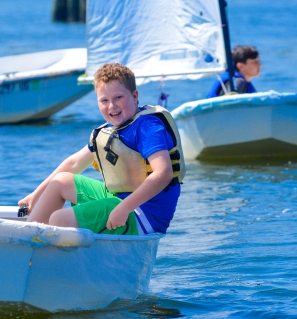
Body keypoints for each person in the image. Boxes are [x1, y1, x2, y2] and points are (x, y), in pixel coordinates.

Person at [19, 63, 185, 235]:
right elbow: (74, 163)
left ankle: (48, 256)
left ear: (135, 96)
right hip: (119, 202)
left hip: (143, 216)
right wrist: (35, 196)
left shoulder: (147, 127)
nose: (112, 106)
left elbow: (163, 173)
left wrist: (124, 208)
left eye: (118, 97)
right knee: (61, 181)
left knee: (59, 219)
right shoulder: (109, 130)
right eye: (104, 100)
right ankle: (27, 241)